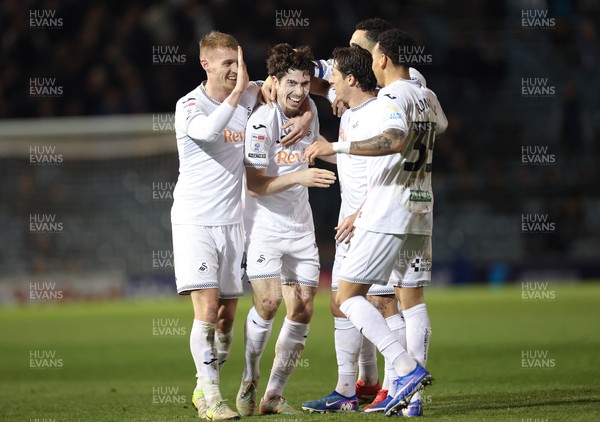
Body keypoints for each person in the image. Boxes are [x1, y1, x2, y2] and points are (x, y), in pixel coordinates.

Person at [305, 29, 447, 417]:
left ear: (380, 59)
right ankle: (412, 399)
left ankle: (404, 368)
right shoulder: (426, 94)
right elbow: (441, 126)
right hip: (422, 207)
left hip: (389, 209)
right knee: (412, 301)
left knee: (347, 296)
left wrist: (335, 145)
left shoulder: (390, 98)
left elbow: (395, 139)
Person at [171, 31, 311, 421]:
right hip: (194, 219)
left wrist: (309, 113)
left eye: (238, 62)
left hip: (234, 222)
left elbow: (299, 94)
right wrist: (239, 93)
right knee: (208, 306)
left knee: (226, 319)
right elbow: (208, 132)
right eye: (228, 63)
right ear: (207, 65)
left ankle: (204, 383)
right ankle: (212, 398)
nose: (235, 70)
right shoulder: (189, 106)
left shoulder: (252, 93)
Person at [235, 43, 336, 416]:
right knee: (269, 302)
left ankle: (274, 395)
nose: (299, 91)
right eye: (292, 83)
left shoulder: (308, 111)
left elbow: (315, 106)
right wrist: (301, 176)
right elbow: (255, 185)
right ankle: (249, 377)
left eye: (305, 83)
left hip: (300, 227)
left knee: (304, 308)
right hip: (263, 226)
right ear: (274, 82)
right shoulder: (261, 123)